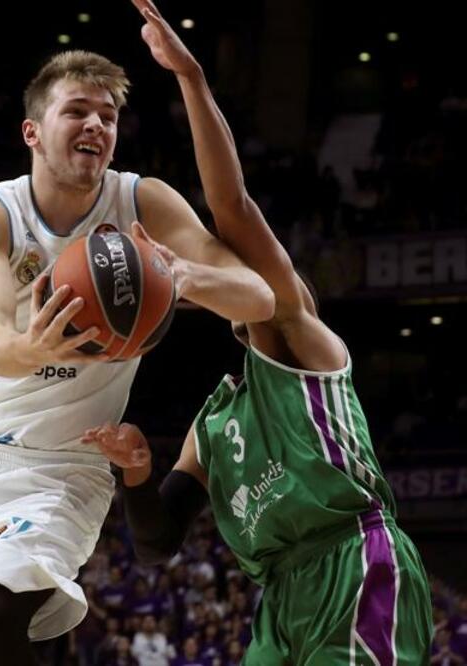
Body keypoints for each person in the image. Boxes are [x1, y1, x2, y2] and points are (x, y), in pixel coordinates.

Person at [0, 45, 275, 666]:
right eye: (76, 111)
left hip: (63, 467)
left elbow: (259, 296)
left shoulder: (143, 205)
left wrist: (184, 274)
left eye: (107, 115)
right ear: (33, 133)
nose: (95, 125)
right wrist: (32, 346)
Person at [83, 2, 433, 664]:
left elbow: (232, 207)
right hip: (279, 600)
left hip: (355, 560)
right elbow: (157, 543)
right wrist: (134, 475)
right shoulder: (213, 424)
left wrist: (191, 80)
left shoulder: (306, 341)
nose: (238, 271)